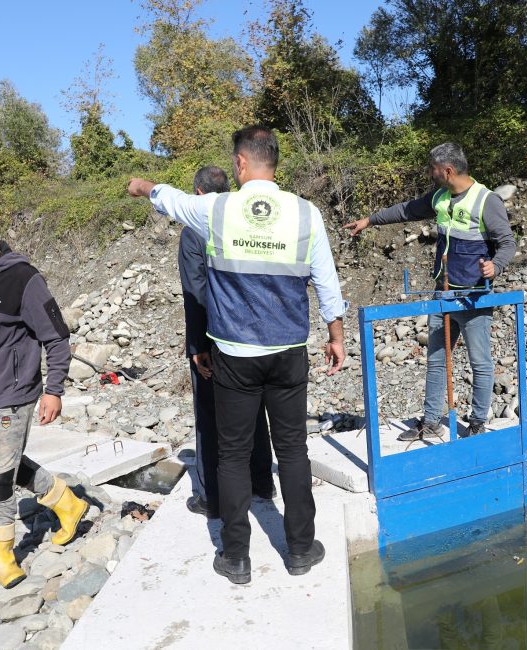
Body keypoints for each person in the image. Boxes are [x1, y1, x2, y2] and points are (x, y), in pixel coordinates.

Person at [128, 125, 347, 585]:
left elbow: (168, 199)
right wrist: (336, 334)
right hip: (287, 353)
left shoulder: (218, 209)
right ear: (274, 162)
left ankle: (237, 557)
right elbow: (326, 279)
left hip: (234, 356)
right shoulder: (307, 214)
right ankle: (301, 549)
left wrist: (143, 186)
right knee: (291, 450)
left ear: (241, 164)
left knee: (230, 455)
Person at [0, 207, 89, 589]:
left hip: (16, 392)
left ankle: (3, 553)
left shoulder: (25, 280)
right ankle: (67, 502)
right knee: (4, 463)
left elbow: (57, 337)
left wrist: (54, 390)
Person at [343, 143, 516, 441]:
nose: (429, 172)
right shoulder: (440, 197)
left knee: (480, 362)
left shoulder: (486, 201)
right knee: (437, 359)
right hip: (443, 293)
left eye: (432, 168)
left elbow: (507, 243)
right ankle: (432, 421)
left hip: (475, 298)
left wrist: (495, 266)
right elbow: (406, 210)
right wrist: (369, 220)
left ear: (447, 170)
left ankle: (476, 423)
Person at [181, 165, 275, 519]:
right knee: (255, 409)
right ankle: (262, 483)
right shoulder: (248, 221)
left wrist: (196, 347)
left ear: (199, 195)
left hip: (216, 337)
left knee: (210, 416)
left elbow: (195, 292)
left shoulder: (195, 229)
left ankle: (213, 499)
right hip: (255, 333)